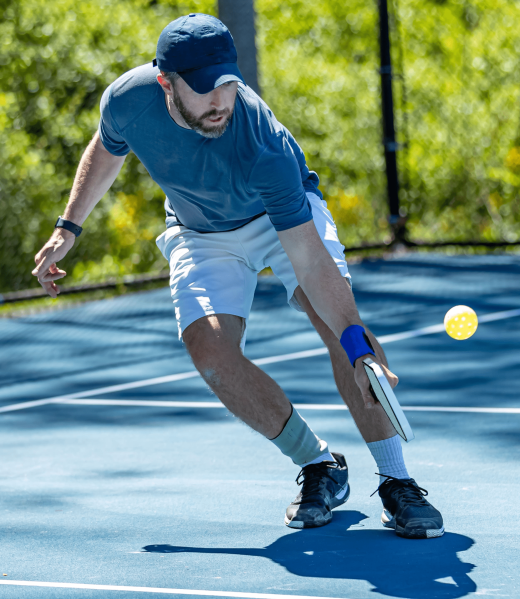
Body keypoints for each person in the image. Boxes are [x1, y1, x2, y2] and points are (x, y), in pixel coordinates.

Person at [32, 13, 443, 539]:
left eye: (227, 82)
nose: (219, 100)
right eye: (203, 90)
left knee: (339, 332)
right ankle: (319, 464)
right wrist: (69, 226)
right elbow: (107, 148)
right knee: (211, 352)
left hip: (280, 218)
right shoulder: (127, 100)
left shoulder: (259, 139)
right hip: (199, 228)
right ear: (166, 83)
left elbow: (311, 261)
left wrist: (358, 345)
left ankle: (397, 481)